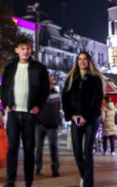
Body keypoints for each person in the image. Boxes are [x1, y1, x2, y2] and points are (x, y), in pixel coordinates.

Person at [0, 38, 50, 187]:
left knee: (29, 149)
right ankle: (10, 180)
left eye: (28, 48)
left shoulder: (39, 68)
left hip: (29, 114)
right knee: (12, 148)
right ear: (17, 50)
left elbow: (44, 89)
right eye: (23, 48)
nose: (26, 51)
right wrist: (5, 104)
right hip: (14, 113)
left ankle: (29, 181)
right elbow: (4, 87)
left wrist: (38, 106)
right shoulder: (9, 68)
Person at [63, 51, 104, 187]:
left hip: (91, 119)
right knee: (77, 152)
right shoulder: (71, 78)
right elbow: (65, 99)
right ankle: (84, 175)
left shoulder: (95, 78)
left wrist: (86, 116)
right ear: (77, 62)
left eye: (85, 59)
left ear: (89, 61)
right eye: (80, 59)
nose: (82, 61)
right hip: (75, 119)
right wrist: (72, 115)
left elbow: (97, 101)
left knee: (87, 151)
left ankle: (88, 183)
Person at [34, 83, 60, 177]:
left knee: (53, 147)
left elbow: (58, 109)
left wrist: (57, 122)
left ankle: (55, 168)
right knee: (39, 148)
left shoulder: (56, 94)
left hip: (52, 125)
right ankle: (38, 167)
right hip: (40, 124)